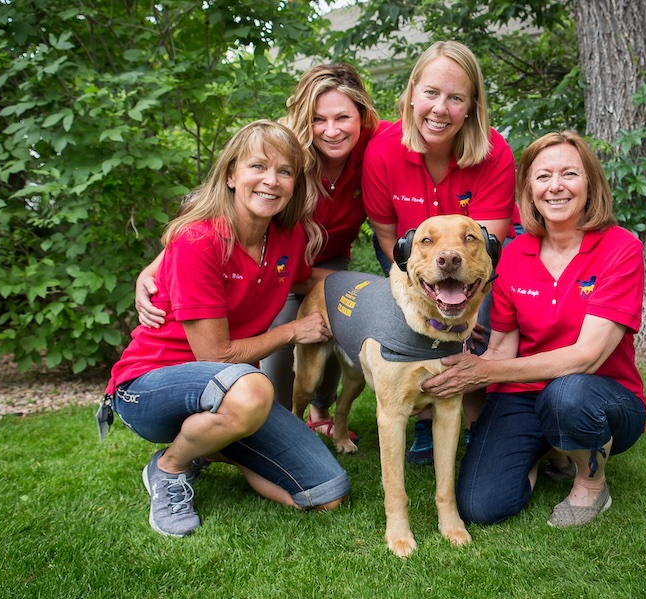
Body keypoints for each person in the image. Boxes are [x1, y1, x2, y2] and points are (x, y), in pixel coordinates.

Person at [104, 120, 350, 538]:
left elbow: (308, 279)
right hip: (149, 387)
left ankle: (214, 443)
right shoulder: (198, 240)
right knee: (253, 387)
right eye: (258, 166)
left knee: (325, 495)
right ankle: (170, 467)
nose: (271, 181)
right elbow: (215, 356)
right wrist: (294, 331)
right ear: (232, 174)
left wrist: (390, 287)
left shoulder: (285, 238)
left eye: (285, 171)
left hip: (229, 393)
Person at [135, 64, 388, 442]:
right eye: (319, 119)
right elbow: (214, 207)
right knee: (278, 367)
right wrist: (155, 267)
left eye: (342, 117)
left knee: (337, 317)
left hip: (321, 260)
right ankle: (270, 424)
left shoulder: (379, 142)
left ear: (363, 115)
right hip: (274, 259)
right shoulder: (282, 150)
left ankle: (322, 410)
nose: (331, 130)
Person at [422, 130, 646, 527]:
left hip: (599, 397)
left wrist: (487, 372)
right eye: (543, 176)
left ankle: (590, 483)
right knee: (481, 505)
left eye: (569, 174)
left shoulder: (620, 248)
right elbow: (501, 348)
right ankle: (550, 447)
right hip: (525, 393)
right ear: (528, 189)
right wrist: (443, 376)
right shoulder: (514, 254)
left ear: (590, 183)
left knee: (567, 396)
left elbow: (588, 356)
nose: (555, 186)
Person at [361, 40, 517, 464]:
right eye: (431, 92)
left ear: (471, 106)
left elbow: (487, 249)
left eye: (455, 97)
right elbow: (390, 241)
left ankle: (469, 420)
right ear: (412, 92)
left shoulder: (495, 153)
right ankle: (424, 416)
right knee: (412, 329)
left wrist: (461, 307)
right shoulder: (381, 151)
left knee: (472, 328)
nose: (440, 108)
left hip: (474, 260)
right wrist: (423, 287)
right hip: (409, 257)